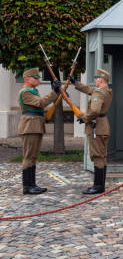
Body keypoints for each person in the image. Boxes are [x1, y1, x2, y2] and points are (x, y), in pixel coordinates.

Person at [18, 67, 61, 195]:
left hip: (35, 124)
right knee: (29, 156)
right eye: (35, 77)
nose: (38, 79)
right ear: (27, 79)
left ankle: (32, 184)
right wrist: (53, 91)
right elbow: (41, 103)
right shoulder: (25, 92)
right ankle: (27, 186)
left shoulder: (33, 91)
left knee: (33, 156)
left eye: (38, 77)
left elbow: (38, 107)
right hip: (30, 126)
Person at [70, 68, 113, 194]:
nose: (95, 80)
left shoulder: (99, 93)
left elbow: (94, 111)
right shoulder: (107, 91)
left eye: (96, 78)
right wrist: (76, 84)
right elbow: (90, 90)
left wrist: (84, 118)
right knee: (102, 155)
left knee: (97, 156)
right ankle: (101, 185)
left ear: (101, 79)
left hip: (96, 127)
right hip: (103, 125)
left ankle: (98, 186)